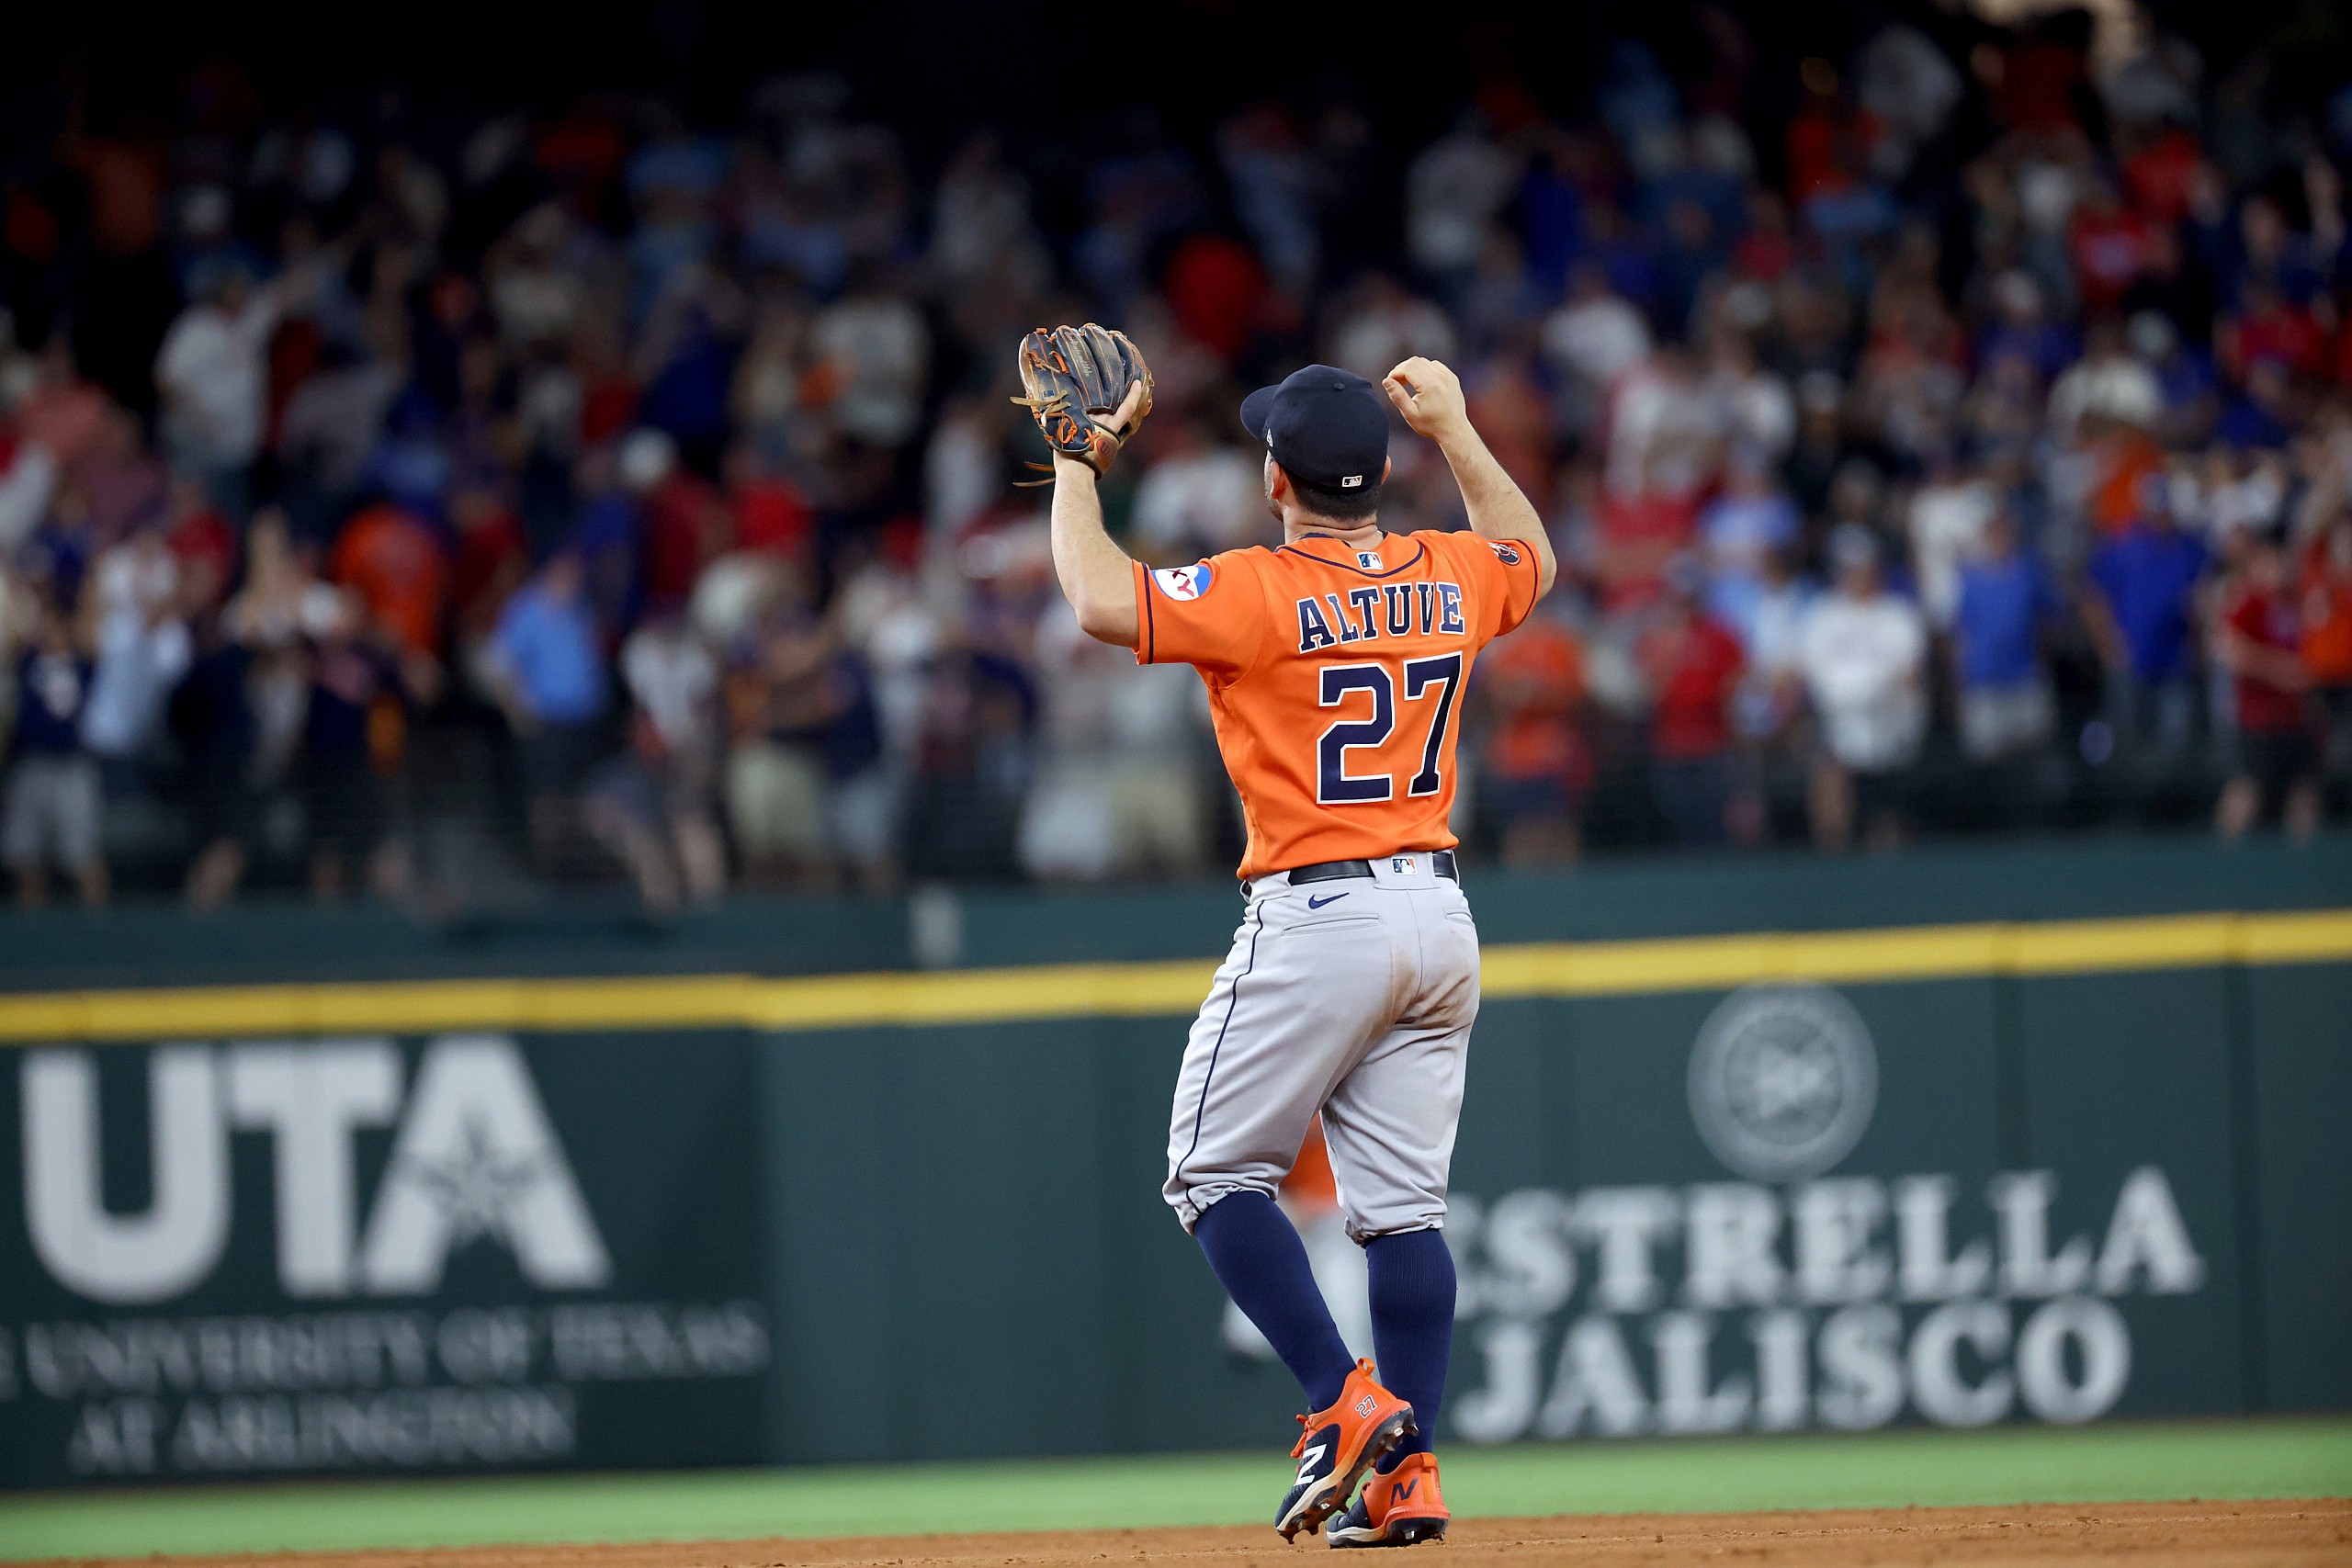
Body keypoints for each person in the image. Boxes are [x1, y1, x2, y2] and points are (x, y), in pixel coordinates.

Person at [1043, 345, 1555, 1546]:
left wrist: (1077, 463)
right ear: (1374, 472)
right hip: (1440, 911)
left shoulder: (1261, 587)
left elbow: (1096, 598)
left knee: (1209, 1173)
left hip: (1320, 910)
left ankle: (1341, 1399)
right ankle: (1406, 1476)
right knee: (1404, 1214)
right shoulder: (1446, 569)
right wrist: (1462, 432)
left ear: (1279, 477)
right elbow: (1532, 551)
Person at [1797, 525, 1928, 851]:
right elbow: (1808, 674)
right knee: (1825, 761)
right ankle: (1833, 844)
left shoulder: (1897, 614)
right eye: (1850, 570)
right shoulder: (1822, 615)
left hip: (1888, 719)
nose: (1858, 577)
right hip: (1835, 721)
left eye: (1864, 569)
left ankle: (1887, 843)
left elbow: (1908, 675)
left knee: (1886, 780)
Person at [2214, 533, 2320, 841]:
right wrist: (2282, 671)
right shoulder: (2247, 602)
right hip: (2257, 718)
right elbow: (2231, 650)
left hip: (2296, 717)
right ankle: (2223, 867)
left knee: (2304, 794)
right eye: (2269, 562)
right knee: (2247, 791)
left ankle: (2306, 873)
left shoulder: (2295, 602)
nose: (2278, 568)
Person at [3, 598, 106, 907]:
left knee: (82, 857)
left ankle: (100, 934)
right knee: (24, 857)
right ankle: (33, 934)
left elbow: (93, 623)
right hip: (32, 765)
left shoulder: (82, 665)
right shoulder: (27, 665)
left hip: (70, 767)